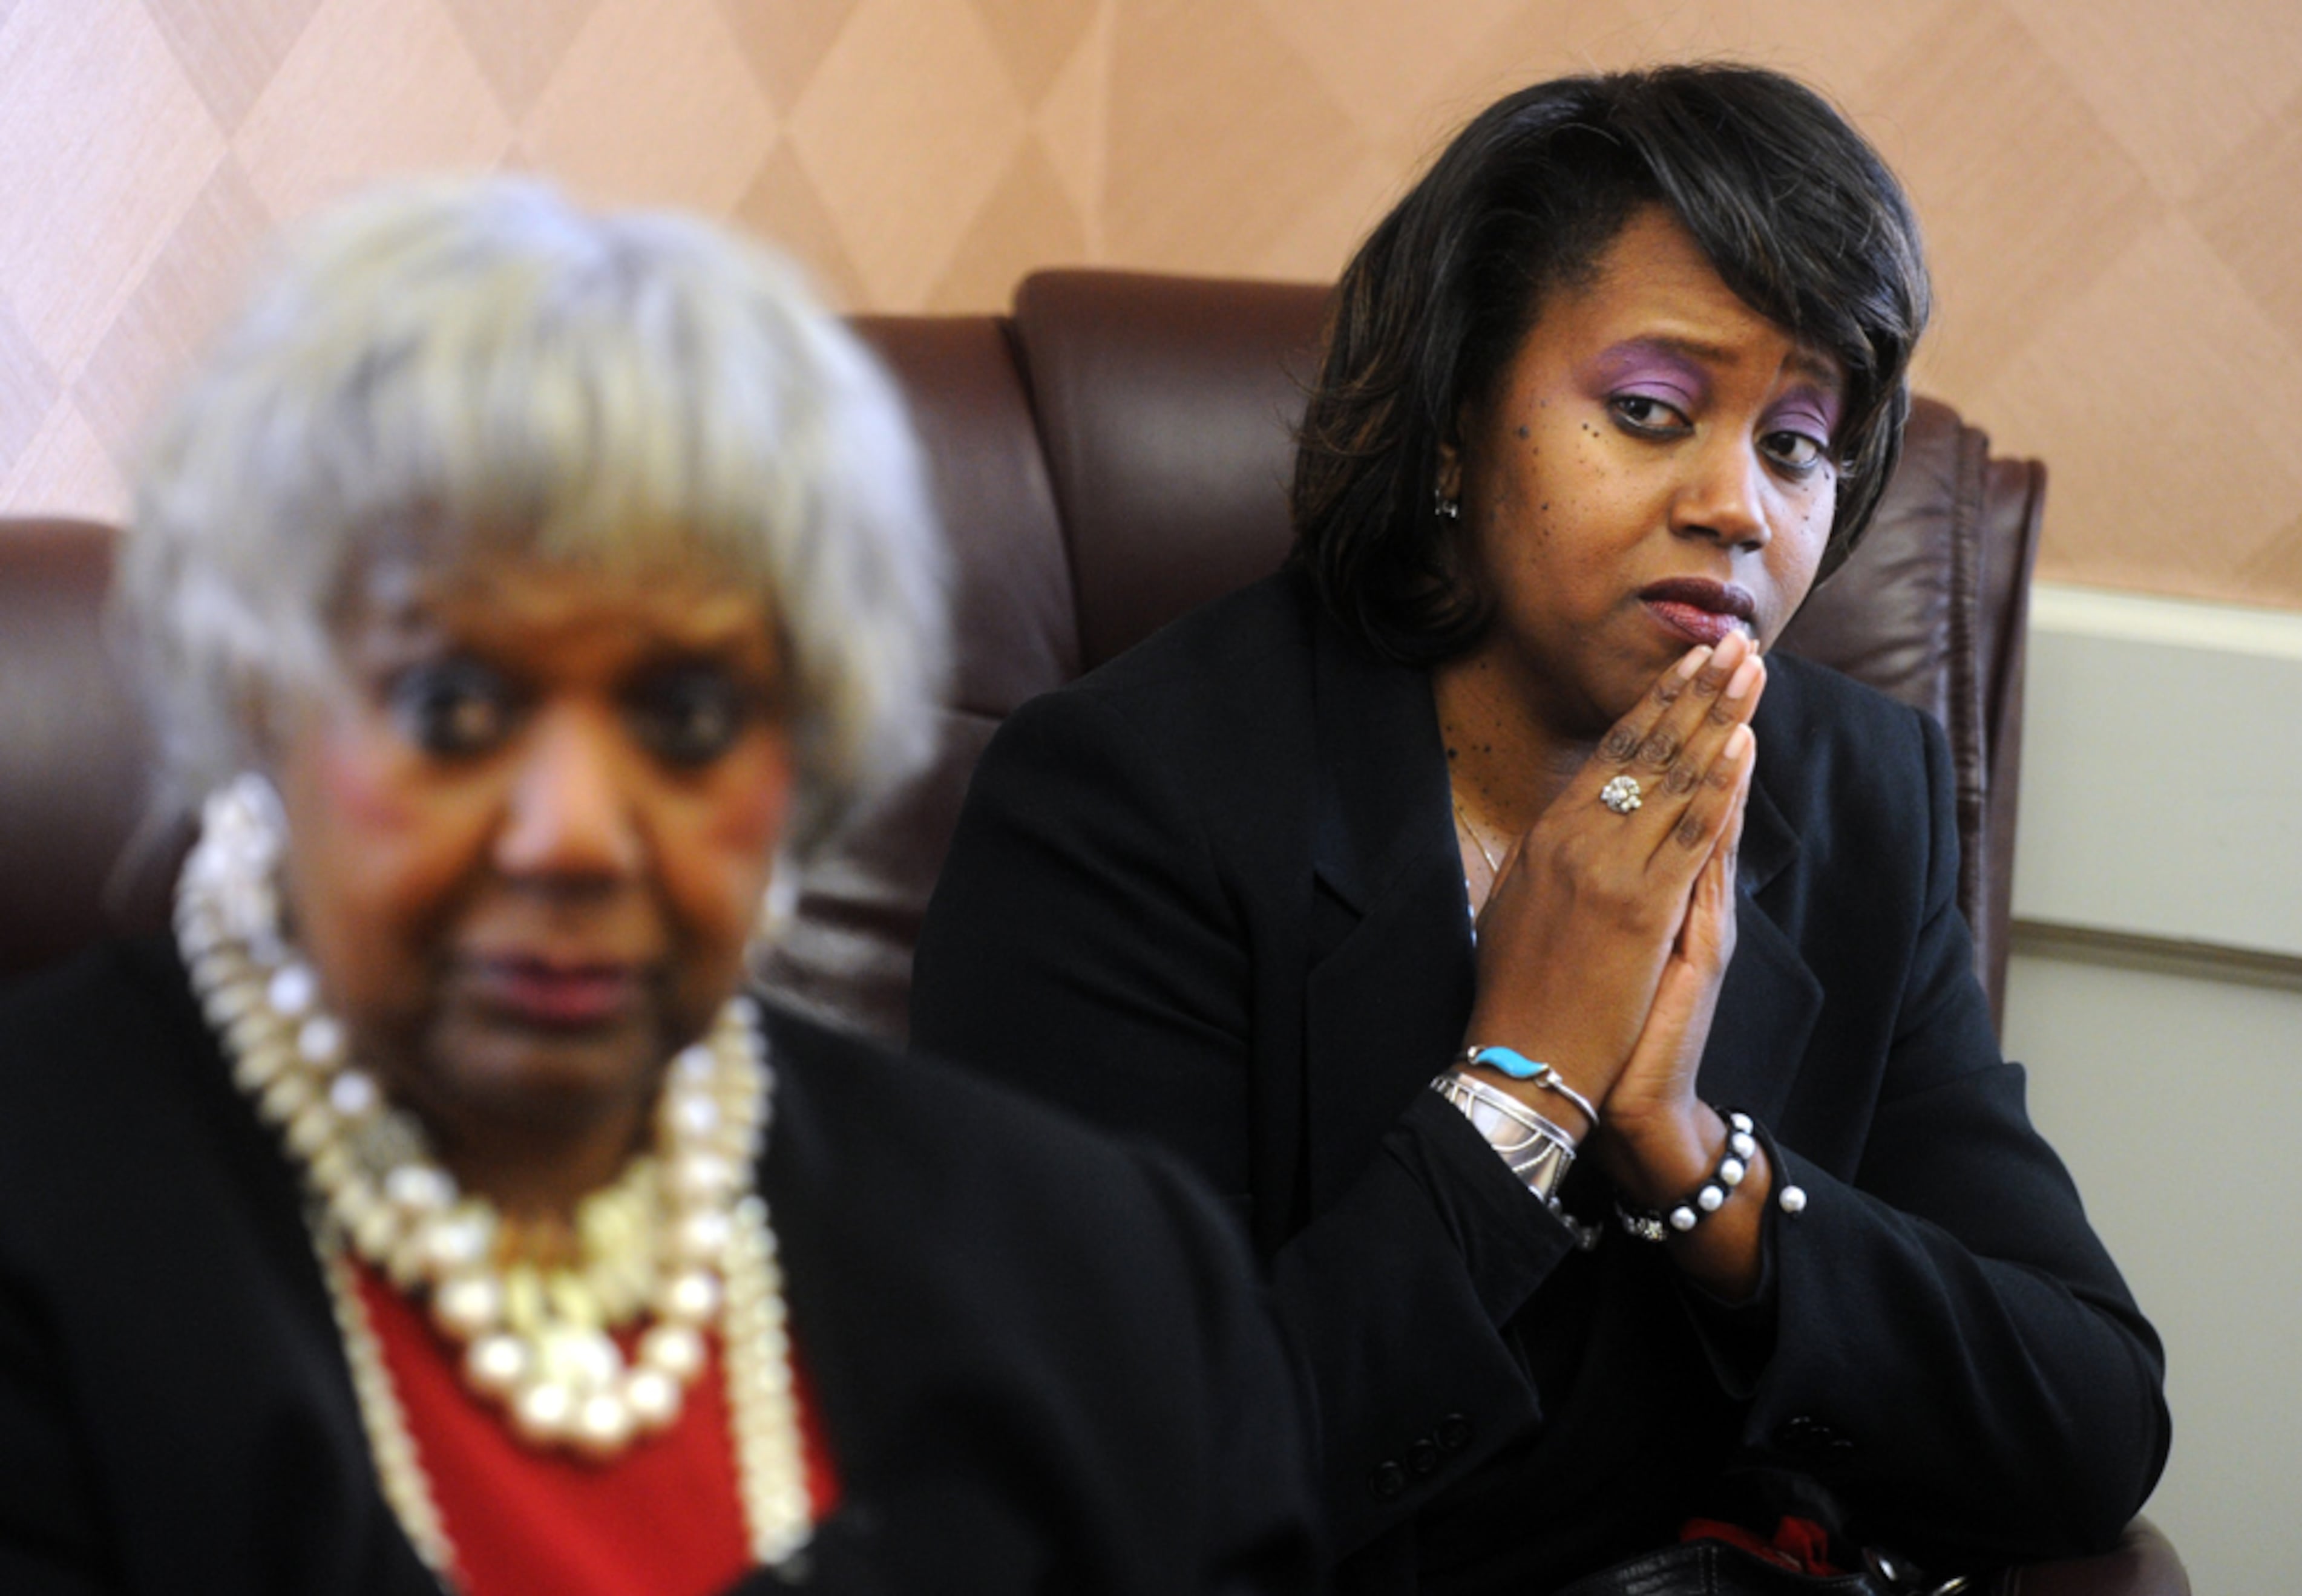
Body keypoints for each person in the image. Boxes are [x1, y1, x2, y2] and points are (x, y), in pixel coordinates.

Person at [911, 64, 2168, 1595]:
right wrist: (1523, 1090)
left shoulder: (1855, 791)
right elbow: (1115, 1495)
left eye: (1795, 443)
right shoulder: (1128, 799)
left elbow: (2093, 1417)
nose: (1739, 505)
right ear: (1452, 424)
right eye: (1650, 412)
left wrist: (1696, 1167)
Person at [0, 180, 1318, 1596]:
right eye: (452, 708)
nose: (573, 837)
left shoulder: (1106, 1279)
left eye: (688, 716)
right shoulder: (40, 1225)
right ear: (263, 704)